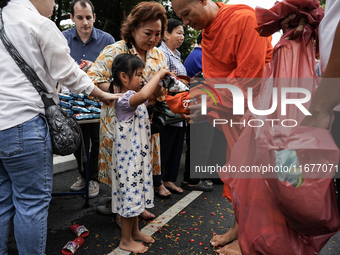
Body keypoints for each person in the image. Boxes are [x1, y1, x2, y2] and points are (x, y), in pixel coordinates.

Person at [0, 0, 121, 254]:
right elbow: (69, 73)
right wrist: (102, 94)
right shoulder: (37, 23)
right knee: (31, 204)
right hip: (24, 123)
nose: (54, 3)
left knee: (2, 202)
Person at [171, 0, 273, 254]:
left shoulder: (244, 19)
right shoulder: (208, 33)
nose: (185, 23)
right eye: (180, 17)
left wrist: (205, 101)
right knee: (238, 177)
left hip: (258, 112)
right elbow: (216, 80)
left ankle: (249, 240)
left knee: (254, 180)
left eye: (186, 14)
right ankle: (239, 227)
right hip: (234, 116)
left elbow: (249, 78)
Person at [87, 1, 168, 221]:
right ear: (133, 29)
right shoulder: (114, 50)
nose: (153, 39)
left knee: (141, 165)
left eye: (158, 34)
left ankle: (137, 208)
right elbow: (93, 80)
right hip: (119, 120)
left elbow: (158, 92)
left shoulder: (158, 56)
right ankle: (122, 213)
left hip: (145, 122)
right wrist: (123, 96)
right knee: (122, 167)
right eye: (148, 33)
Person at [107, 53, 169, 254]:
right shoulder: (124, 100)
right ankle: (125, 240)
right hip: (128, 162)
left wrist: (162, 82)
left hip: (137, 159)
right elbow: (143, 96)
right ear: (124, 77)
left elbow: (150, 96)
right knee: (129, 198)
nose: (142, 79)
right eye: (139, 75)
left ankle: (134, 232)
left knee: (136, 197)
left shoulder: (135, 97)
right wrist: (158, 74)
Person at [62, 0, 115, 198]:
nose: (85, 22)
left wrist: (96, 67)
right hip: (71, 99)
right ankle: (84, 175)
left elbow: (116, 70)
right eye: (80, 18)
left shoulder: (107, 39)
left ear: (94, 17)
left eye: (89, 17)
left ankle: (92, 178)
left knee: (96, 138)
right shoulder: (62, 38)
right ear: (72, 18)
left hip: (98, 98)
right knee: (77, 139)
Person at [155, 18, 187, 197]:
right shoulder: (162, 53)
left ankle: (168, 179)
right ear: (166, 34)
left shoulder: (177, 54)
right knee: (165, 145)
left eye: (183, 33)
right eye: (178, 32)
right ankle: (158, 182)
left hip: (180, 104)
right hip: (168, 105)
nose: (181, 37)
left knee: (176, 144)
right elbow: (163, 79)